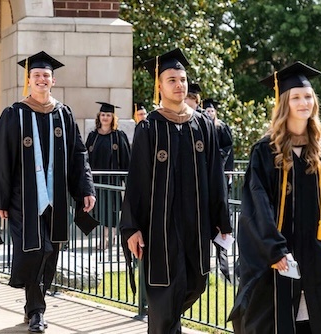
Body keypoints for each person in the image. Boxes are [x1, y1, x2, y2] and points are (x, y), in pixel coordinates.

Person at [228, 61, 321, 334]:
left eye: (309, 96)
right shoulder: (266, 151)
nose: (304, 102)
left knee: (316, 320)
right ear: (284, 103)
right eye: (297, 97)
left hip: (315, 253)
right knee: (277, 322)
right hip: (280, 256)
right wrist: (274, 249)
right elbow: (257, 203)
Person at [120, 48, 231, 334]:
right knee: (162, 291)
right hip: (160, 226)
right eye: (172, 79)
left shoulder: (202, 124)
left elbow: (215, 176)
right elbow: (138, 181)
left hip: (195, 224)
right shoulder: (149, 127)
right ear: (159, 85)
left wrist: (222, 220)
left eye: (182, 79)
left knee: (195, 284)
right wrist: (132, 227)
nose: (179, 84)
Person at [0, 51, 96, 333]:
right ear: (29, 80)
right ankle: (37, 311)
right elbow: (1, 159)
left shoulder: (63, 113)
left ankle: (32, 305)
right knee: (38, 250)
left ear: (53, 80)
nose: (41, 79)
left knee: (52, 251)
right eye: (36, 75)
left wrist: (85, 188)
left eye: (46, 75)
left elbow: (77, 153)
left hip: (56, 197)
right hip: (22, 198)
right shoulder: (14, 114)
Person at [86, 102, 131, 250]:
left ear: (113, 117)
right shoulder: (93, 136)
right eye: (103, 115)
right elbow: (86, 158)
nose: (105, 118)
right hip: (96, 181)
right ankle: (105, 237)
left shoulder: (118, 136)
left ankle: (108, 238)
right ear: (99, 116)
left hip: (112, 181)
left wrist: (127, 182)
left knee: (110, 211)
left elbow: (126, 159)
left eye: (108, 115)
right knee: (98, 210)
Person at [202, 98, 234, 187]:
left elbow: (228, 145)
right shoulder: (201, 126)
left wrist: (218, 155)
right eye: (208, 111)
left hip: (220, 163)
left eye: (212, 111)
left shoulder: (221, 127)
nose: (210, 113)